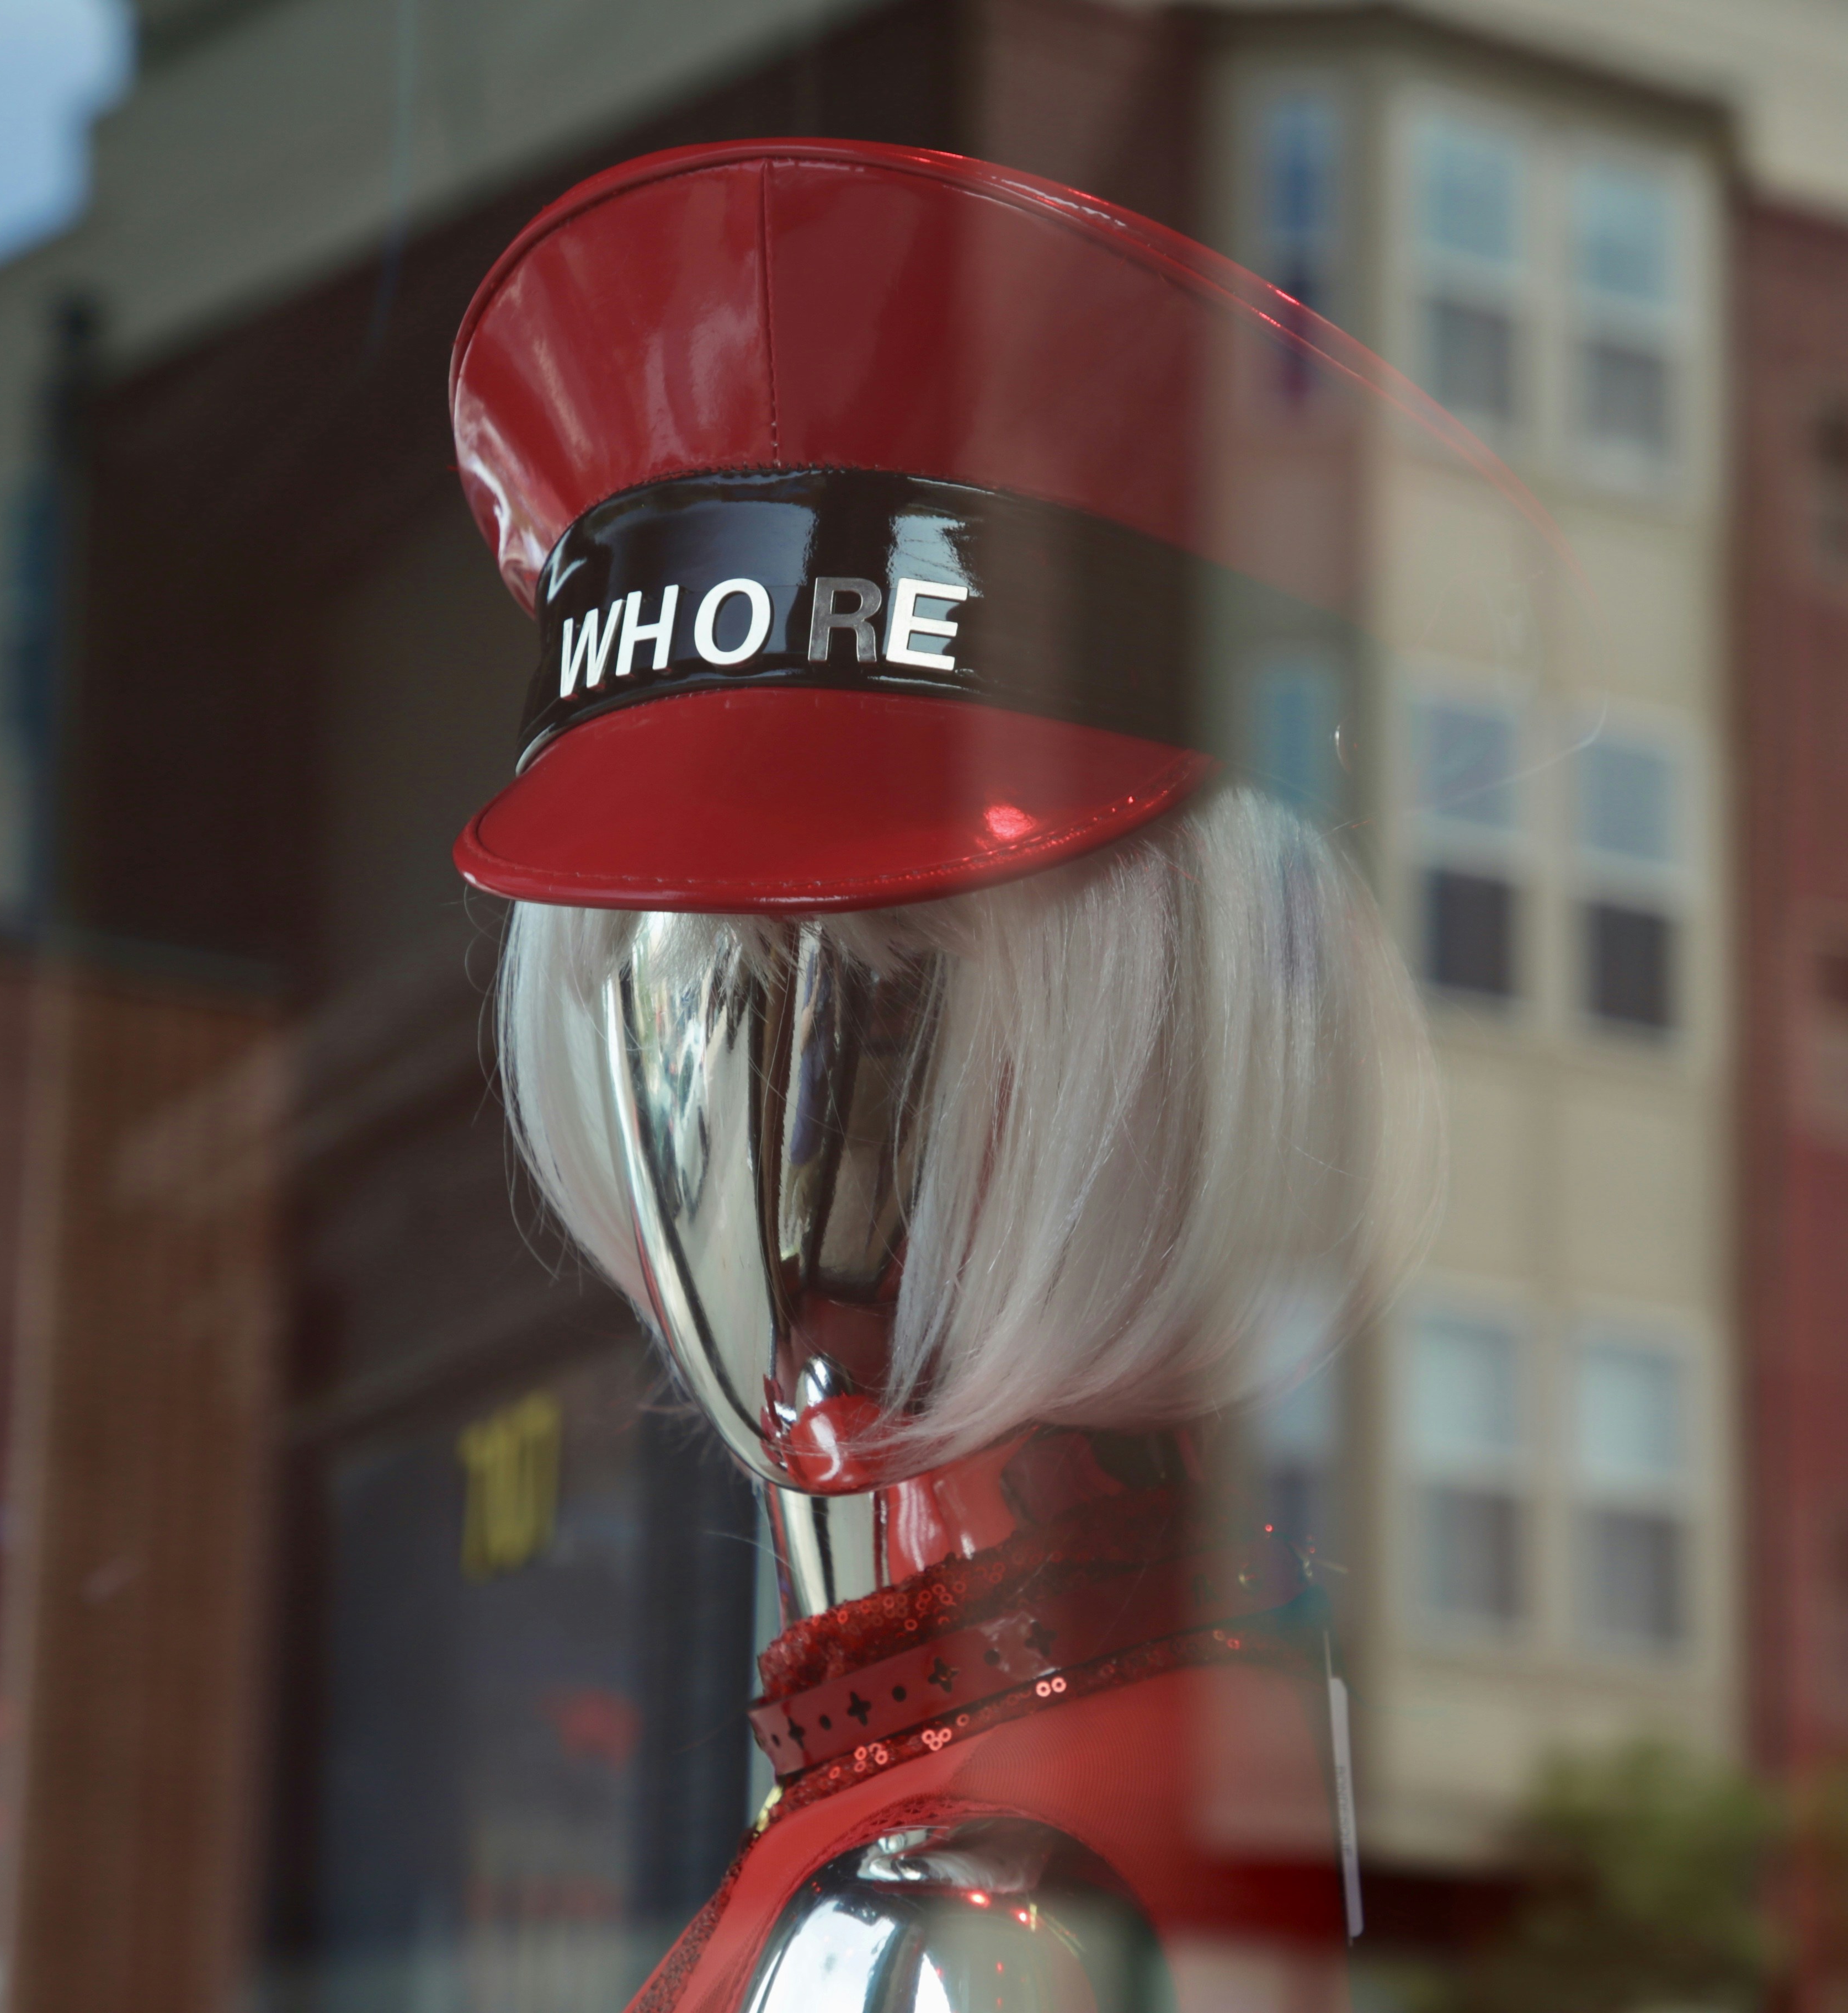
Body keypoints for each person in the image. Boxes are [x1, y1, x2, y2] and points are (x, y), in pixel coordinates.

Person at [445, 137, 1553, 2011]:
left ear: (1189, 1046)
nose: (752, 1151)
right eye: (682, 1002)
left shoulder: (955, 1916)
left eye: (884, 1013)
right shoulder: (1109, 1795)